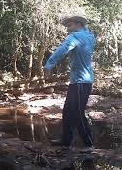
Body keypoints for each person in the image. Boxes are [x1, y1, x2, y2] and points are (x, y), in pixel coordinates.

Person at [44, 16, 96, 152]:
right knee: (67, 111)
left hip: (80, 82)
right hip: (80, 82)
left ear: (78, 24)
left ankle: (89, 144)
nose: (67, 29)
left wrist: (49, 65)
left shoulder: (75, 37)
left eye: (70, 25)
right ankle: (66, 141)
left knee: (78, 113)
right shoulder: (89, 36)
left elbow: (62, 50)